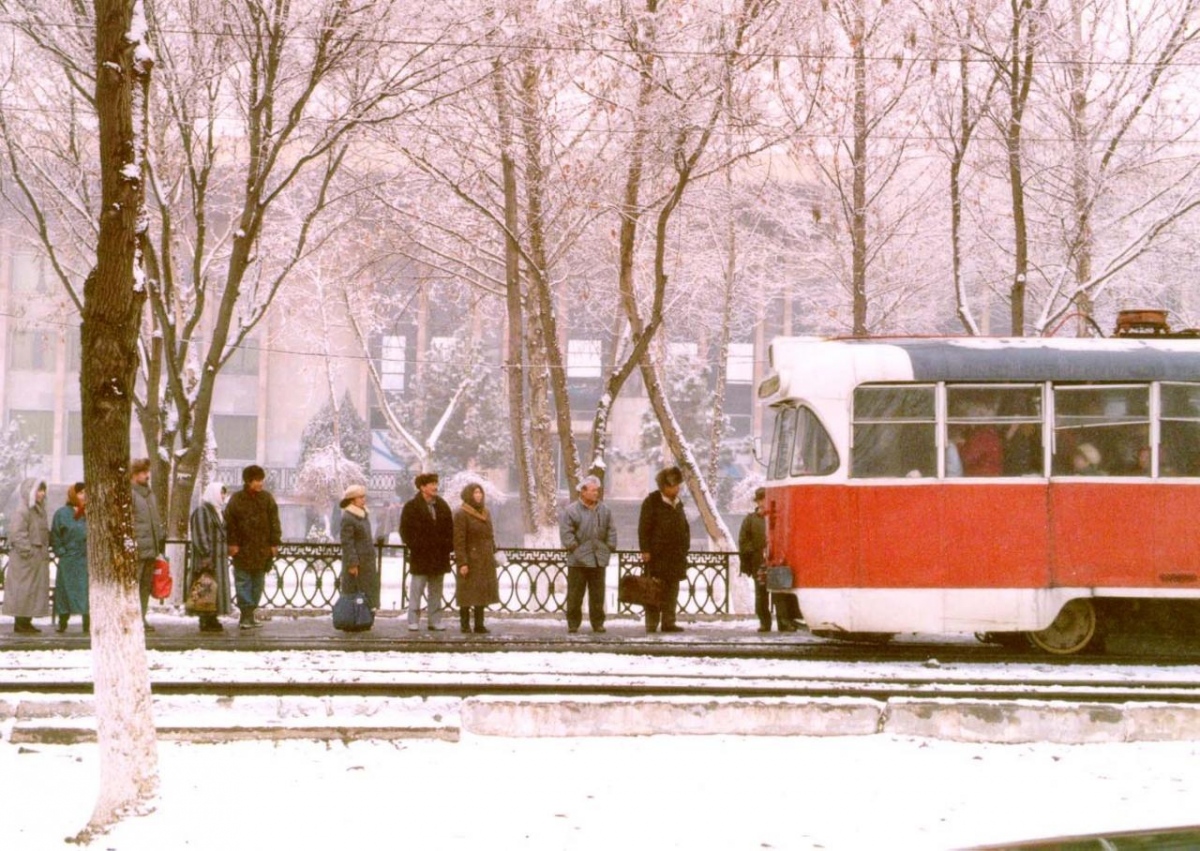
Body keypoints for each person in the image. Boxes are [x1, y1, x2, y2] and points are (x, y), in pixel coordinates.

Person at [224, 464, 282, 630]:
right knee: (243, 582)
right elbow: (230, 524)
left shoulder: (267, 499)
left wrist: (274, 543)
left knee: (258, 584)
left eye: (261, 480)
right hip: (242, 550)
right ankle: (246, 615)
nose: (260, 483)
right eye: (257, 480)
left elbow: (274, 522)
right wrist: (232, 543)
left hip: (262, 550)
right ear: (248, 481)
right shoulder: (237, 499)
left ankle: (251, 612)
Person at [559, 475, 617, 635]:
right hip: (577, 561)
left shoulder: (605, 510)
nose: (596, 493)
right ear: (583, 492)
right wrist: (576, 548)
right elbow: (566, 534)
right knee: (575, 595)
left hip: (598, 559)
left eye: (597, 490)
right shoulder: (571, 510)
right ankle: (573, 623)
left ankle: (598, 623)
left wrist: (609, 547)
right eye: (592, 490)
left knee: (598, 595)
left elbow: (611, 530)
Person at [638, 465, 691, 634]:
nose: (678, 488)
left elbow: (684, 527)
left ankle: (669, 622)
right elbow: (644, 528)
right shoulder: (652, 502)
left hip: (676, 556)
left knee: (672, 590)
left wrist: (685, 547)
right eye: (675, 485)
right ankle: (651, 623)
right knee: (654, 590)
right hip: (657, 556)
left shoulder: (678, 503)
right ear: (665, 487)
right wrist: (645, 550)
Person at [399, 472, 454, 632]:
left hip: (439, 555)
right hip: (421, 555)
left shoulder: (442, 505)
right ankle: (413, 620)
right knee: (417, 588)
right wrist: (416, 546)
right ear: (422, 487)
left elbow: (450, 529)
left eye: (436, 483)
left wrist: (447, 546)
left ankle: (434, 620)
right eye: (432, 484)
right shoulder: (411, 506)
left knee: (436, 590)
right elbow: (405, 531)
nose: (435, 487)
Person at [738, 487, 797, 633]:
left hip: (777, 562)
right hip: (758, 562)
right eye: (762, 500)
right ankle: (765, 623)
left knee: (779, 594)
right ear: (758, 502)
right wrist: (756, 551)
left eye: (767, 499)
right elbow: (743, 541)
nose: (764, 502)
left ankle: (784, 622)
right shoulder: (750, 520)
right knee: (761, 595)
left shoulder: (777, 517)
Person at [3, 478, 49, 634]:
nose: (42, 494)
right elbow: (17, 533)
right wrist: (27, 552)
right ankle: (21, 622)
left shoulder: (38, 510)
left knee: (32, 591)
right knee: (23, 590)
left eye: (43, 490)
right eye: (39, 490)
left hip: (35, 558)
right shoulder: (23, 510)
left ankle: (26, 621)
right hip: (25, 560)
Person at [453, 482, 499, 634]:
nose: (478, 495)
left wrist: (494, 552)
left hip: (485, 559)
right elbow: (459, 540)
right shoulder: (461, 513)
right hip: (470, 559)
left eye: (480, 492)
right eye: (475, 493)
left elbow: (490, 535)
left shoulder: (486, 512)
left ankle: (479, 624)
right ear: (468, 495)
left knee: (481, 592)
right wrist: (462, 562)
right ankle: (465, 624)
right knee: (466, 592)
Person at [188, 481, 231, 633]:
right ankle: (205, 619)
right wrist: (206, 554)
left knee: (213, 588)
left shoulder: (218, 512)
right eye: (221, 493)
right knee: (205, 587)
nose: (223, 496)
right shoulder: (202, 511)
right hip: (207, 559)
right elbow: (200, 535)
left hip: (218, 559)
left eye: (224, 493)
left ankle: (212, 617)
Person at [130, 458, 165, 632]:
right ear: (134, 474)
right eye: (143, 472)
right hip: (137, 550)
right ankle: (131, 618)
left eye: (147, 472)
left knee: (145, 587)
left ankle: (141, 617)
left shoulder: (150, 495)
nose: (147, 475)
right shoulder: (131, 494)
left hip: (151, 549)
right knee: (133, 586)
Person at [50, 482, 89, 633]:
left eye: (85, 492)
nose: (84, 496)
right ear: (73, 494)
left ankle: (87, 623)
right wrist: (61, 551)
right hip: (69, 560)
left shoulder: (90, 512)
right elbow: (55, 535)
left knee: (86, 592)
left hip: (85, 559)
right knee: (65, 592)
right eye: (80, 493)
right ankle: (63, 622)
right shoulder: (62, 514)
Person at [338, 483, 379, 619]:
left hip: (366, 562)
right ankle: (352, 619)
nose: (363, 500)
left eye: (364, 497)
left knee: (366, 592)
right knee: (354, 594)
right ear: (352, 500)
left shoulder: (362, 515)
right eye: (360, 497)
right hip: (357, 563)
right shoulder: (348, 517)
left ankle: (365, 618)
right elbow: (347, 543)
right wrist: (352, 563)